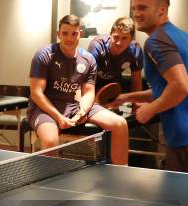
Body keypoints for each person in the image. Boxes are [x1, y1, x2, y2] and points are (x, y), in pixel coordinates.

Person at [113, 0, 188, 174]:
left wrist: (151, 109)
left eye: (142, 8)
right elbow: (168, 87)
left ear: (162, 9)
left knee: (175, 203)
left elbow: (182, 86)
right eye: (134, 8)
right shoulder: (182, 37)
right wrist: (126, 97)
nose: (136, 14)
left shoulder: (156, 41)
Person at [28, 14, 129, 165]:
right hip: (45, 110)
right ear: (58, 34)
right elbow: (36, 93)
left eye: (74, 33)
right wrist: (58, 117)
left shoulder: (88, 59)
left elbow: (88, 92)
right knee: (50, 141)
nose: (69, 38)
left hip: (74, 106)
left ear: (80, 34)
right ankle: (48, 185)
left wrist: (82, 111)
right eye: (65, 33)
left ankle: (120, 177)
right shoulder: (44, 55)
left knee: (120, 124)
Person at [87, 16, 144, 96]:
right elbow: (86, 78)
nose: (119, 43)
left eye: (124, 38)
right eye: (116, 37)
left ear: (131, 39)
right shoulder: (97, 46)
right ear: (110, 35)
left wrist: (136, 106)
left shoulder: (135, 50)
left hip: (114, 85)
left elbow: (136, 80)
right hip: (93, 83)